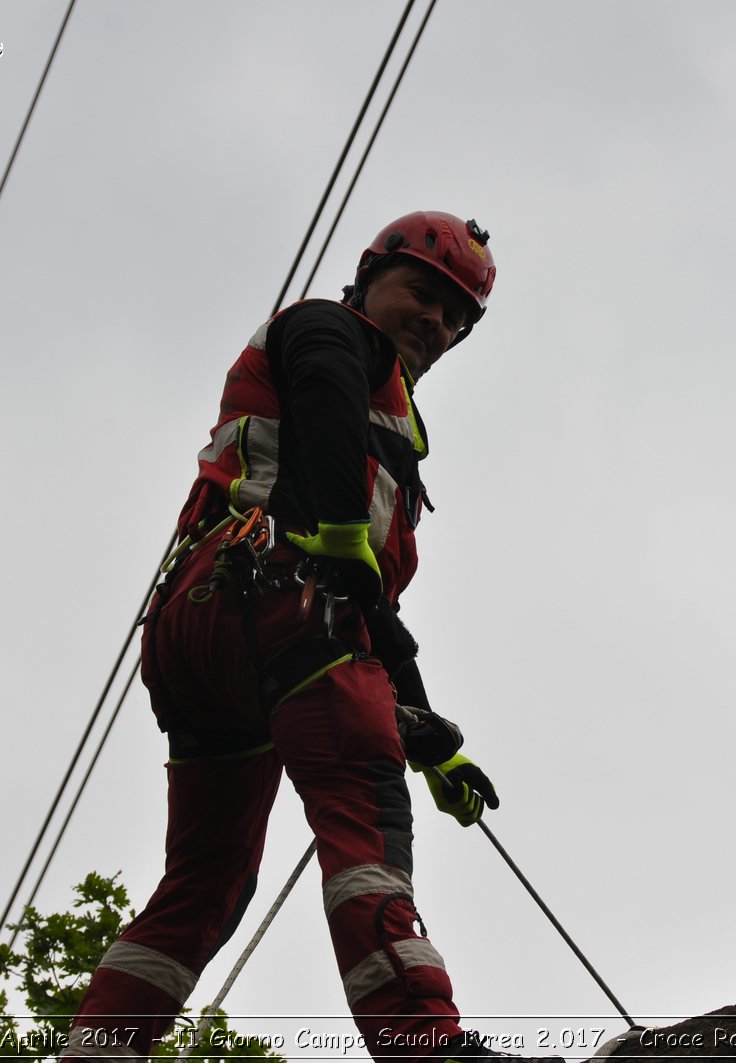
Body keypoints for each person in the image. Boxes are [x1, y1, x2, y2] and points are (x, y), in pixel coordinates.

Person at [64, 212, 558, 1063]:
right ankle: (423, 1047)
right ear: (370, 278)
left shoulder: (392, 435)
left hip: (213, 633)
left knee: (208, 881)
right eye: (422, 294)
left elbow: (373, 609)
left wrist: (428, 731)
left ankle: (96, 1053)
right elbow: (328, 428)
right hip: (272, 596)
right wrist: (334, 532)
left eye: (455, 318)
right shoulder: (328, 331)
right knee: (366, 812)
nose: (435, 322)